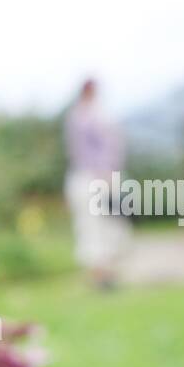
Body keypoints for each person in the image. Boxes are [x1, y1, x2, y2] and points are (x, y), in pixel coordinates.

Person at [64, 79, 130, 287]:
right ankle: (100, 275)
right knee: (93, 227)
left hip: (101, 178)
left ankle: (107, 274)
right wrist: (104, 174)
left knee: (109, 227)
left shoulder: (92, 114)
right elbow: (84, 151)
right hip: (92, 179)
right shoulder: (83, 116)